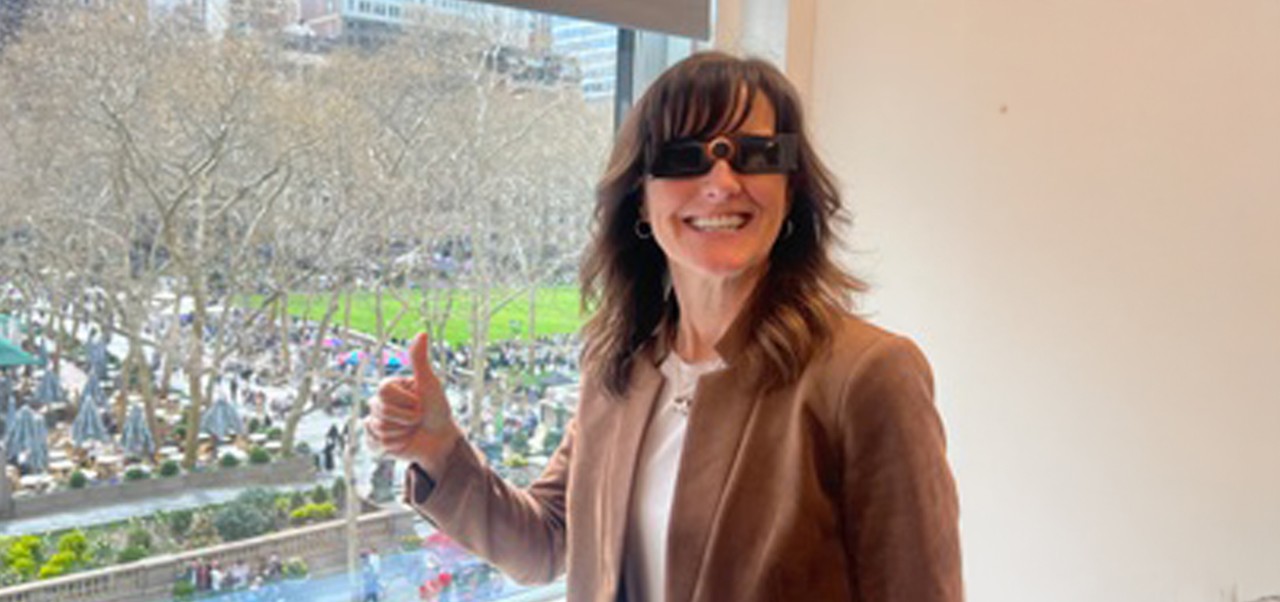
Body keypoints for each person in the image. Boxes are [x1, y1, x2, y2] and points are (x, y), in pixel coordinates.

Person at [365, 51, 961, 601]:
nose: (722, 183)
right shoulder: (618, 369)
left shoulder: (867, 376)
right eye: (684, 157)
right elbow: (546, 542)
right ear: (641, 199)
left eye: (755, 154)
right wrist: (441, 453)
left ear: (791, 188)